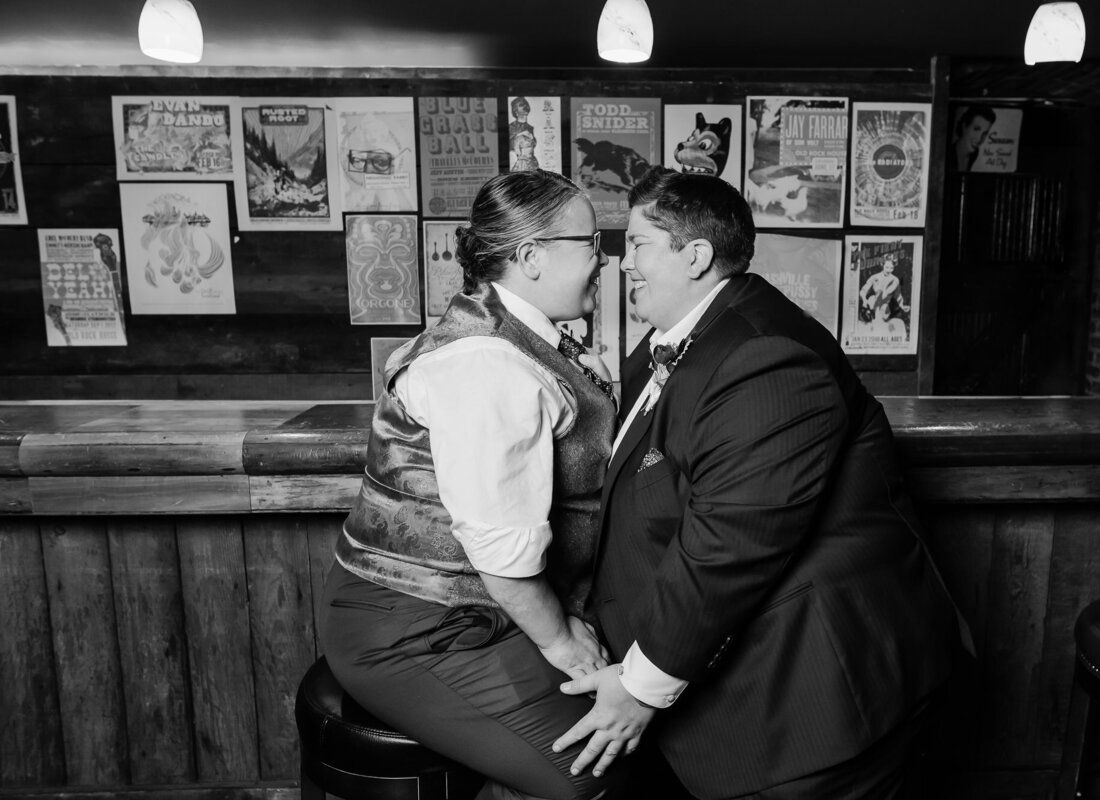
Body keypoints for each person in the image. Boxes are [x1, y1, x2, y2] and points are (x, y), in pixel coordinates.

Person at [553, 166, 970, 799]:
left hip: (814, 701)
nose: (621, 263)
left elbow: (730, 545)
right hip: (724, 687)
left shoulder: (765, 355)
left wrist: (639, 685)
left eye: (636, 244)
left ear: (694, 257)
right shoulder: (667, 342)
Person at [319, 169, 624, 800]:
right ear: (531, 256)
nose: (604, 259)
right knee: (596, 773)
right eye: (592, 243)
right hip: (413, 628)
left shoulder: (515, 339)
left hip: (470, 613)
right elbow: (501, 556)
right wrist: (566, 644)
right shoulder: (486, 362)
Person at [953, 105, 996, 172]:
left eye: (984, 133)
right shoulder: (950, 154)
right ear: (964, 127)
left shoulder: (974, 153)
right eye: (976, 129)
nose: (979, 139)